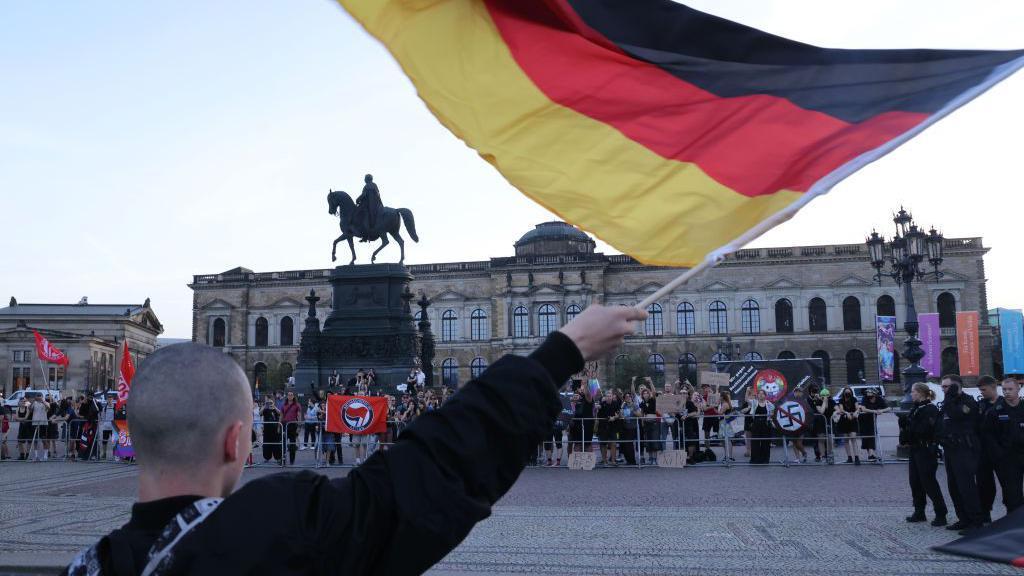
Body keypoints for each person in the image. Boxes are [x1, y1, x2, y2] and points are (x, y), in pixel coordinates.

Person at [62, 303, 644, 575]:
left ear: (133, 433)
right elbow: (428, 475)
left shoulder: (89, 565)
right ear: (238, 441)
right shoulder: (276, 531)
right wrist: (558, 354)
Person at [938, 374, 984, 534]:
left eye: (946, 387)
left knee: (966, 486)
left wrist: (949, 398)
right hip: (951, 449)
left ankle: (976, 521)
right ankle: (963, 518)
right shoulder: (948, 402)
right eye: (942, 387)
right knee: (954, 486)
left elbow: (957, 415)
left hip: (965, 448)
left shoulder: (968, 402)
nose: (943, 390)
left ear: (956, 386)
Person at [905, 382, 948, 526]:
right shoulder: (917, 408)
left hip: (926, 449)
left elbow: (925, 429)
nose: (911, 394)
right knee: (915, 482)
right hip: (915, 448)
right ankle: (919, 511)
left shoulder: (930, 409)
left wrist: (911, 428)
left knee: (929, 482)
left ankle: (941, 513)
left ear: (921, 393)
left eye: (913, 391)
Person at [981, 377, 1024, 516]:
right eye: (1004, 389)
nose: (1007, 392)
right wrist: (999, 454)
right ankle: (1014, 523)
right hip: (1008, 459)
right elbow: (988, 435)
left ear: (1018, 389)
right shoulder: (995, 411)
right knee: (1012, 494)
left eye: (1010, 389)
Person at [974, 375, 1000, 523]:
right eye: (980, 390)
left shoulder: (1003, 403)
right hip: (983, 452)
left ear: (993, 387)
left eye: (984, 390)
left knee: (1008, 484)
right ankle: (985, 512)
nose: (982, 392)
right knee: (984, 484)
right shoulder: (981, 405)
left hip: (1001, 452)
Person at [857, 387, 888, 462]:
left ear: (874, 394)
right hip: (863, 419)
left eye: (869, 393)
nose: (868, 394)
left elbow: (888, 408)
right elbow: (863, 409)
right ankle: (871, 454)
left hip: (872, 419)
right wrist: (874, 411)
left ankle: (871, 455)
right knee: (866, 435)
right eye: (867, 393)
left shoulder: (879, 399)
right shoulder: (865, 398)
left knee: (873, 434)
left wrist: (881, 410)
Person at [834, 387, 861, 465]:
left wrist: (856, 412)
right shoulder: (841, 400)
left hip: (852, 420)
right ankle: (849, 457)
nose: (848, 394)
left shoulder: (854, 399)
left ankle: (857, 457)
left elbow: (857, 408)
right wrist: (847, 413)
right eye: (846, 392)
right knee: (846, 439)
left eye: (849, 392)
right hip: (844, 421)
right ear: (844, 393)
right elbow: (841, 409)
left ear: (851, 393)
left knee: (853, 438)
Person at [746, 390, 772, 464]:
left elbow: (772, 410)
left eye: (762, 394)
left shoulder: (768, 403)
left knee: (765, 442)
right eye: (759, 394)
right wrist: (747, 391)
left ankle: (765, 459)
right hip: (756, 424)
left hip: (765, 424)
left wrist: (770, 416)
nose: (760, 395)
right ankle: (755, 459)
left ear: (765, 395)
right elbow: (747, 400)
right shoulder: (754, 402)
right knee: (755, 441)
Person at [597, 389, 621, 466]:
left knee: (613, 444)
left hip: (613, 426)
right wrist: (597, 408)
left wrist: (614, 417)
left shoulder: (616, 403)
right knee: (603, 444)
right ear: (605, 397)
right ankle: (604, 461)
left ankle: (613, 461)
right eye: (607, 396)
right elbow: (597, 414)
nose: (609, 397)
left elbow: (619, 414)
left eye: (610, 396)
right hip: (603, 427)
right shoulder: (602, 404)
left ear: (612, 396)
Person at [280, 391, 301, 465]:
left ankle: (292, 460)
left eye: (291, 395)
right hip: (284, 425)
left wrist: (299, 426)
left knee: (292, 444)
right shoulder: (283, 405)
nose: (290, 396)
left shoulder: (297, 405)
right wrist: (279, 425)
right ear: (287, 396)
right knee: (283, 443)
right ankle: (282, 459)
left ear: (293, 396)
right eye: (289, 395)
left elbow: (299, 416)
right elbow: (281, 415)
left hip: (293, 425)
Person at [260, 398, 282, 464]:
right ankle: (267, 458)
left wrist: (274, 407)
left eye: (271, 402)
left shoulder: (275, 409)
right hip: (267, 431)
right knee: (266, 445)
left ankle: (278, 458)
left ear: (273, 402)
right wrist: (264, 405)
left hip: (275, 430)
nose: (269, 404)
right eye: (268, 402)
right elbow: (260, 413)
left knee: (276, 445)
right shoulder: (265, 410)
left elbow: (280, 413)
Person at [718, 390, 738, 462]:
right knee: (723, 440)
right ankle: (727, 455)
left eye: (720, 396)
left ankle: (729, 456)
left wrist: (713, 409)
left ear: (722, 397)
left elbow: (720, 413)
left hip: (724, 423)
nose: (719, 397)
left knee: (727, 439)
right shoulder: (724, 403)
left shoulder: (725, 404)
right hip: (723, 422)